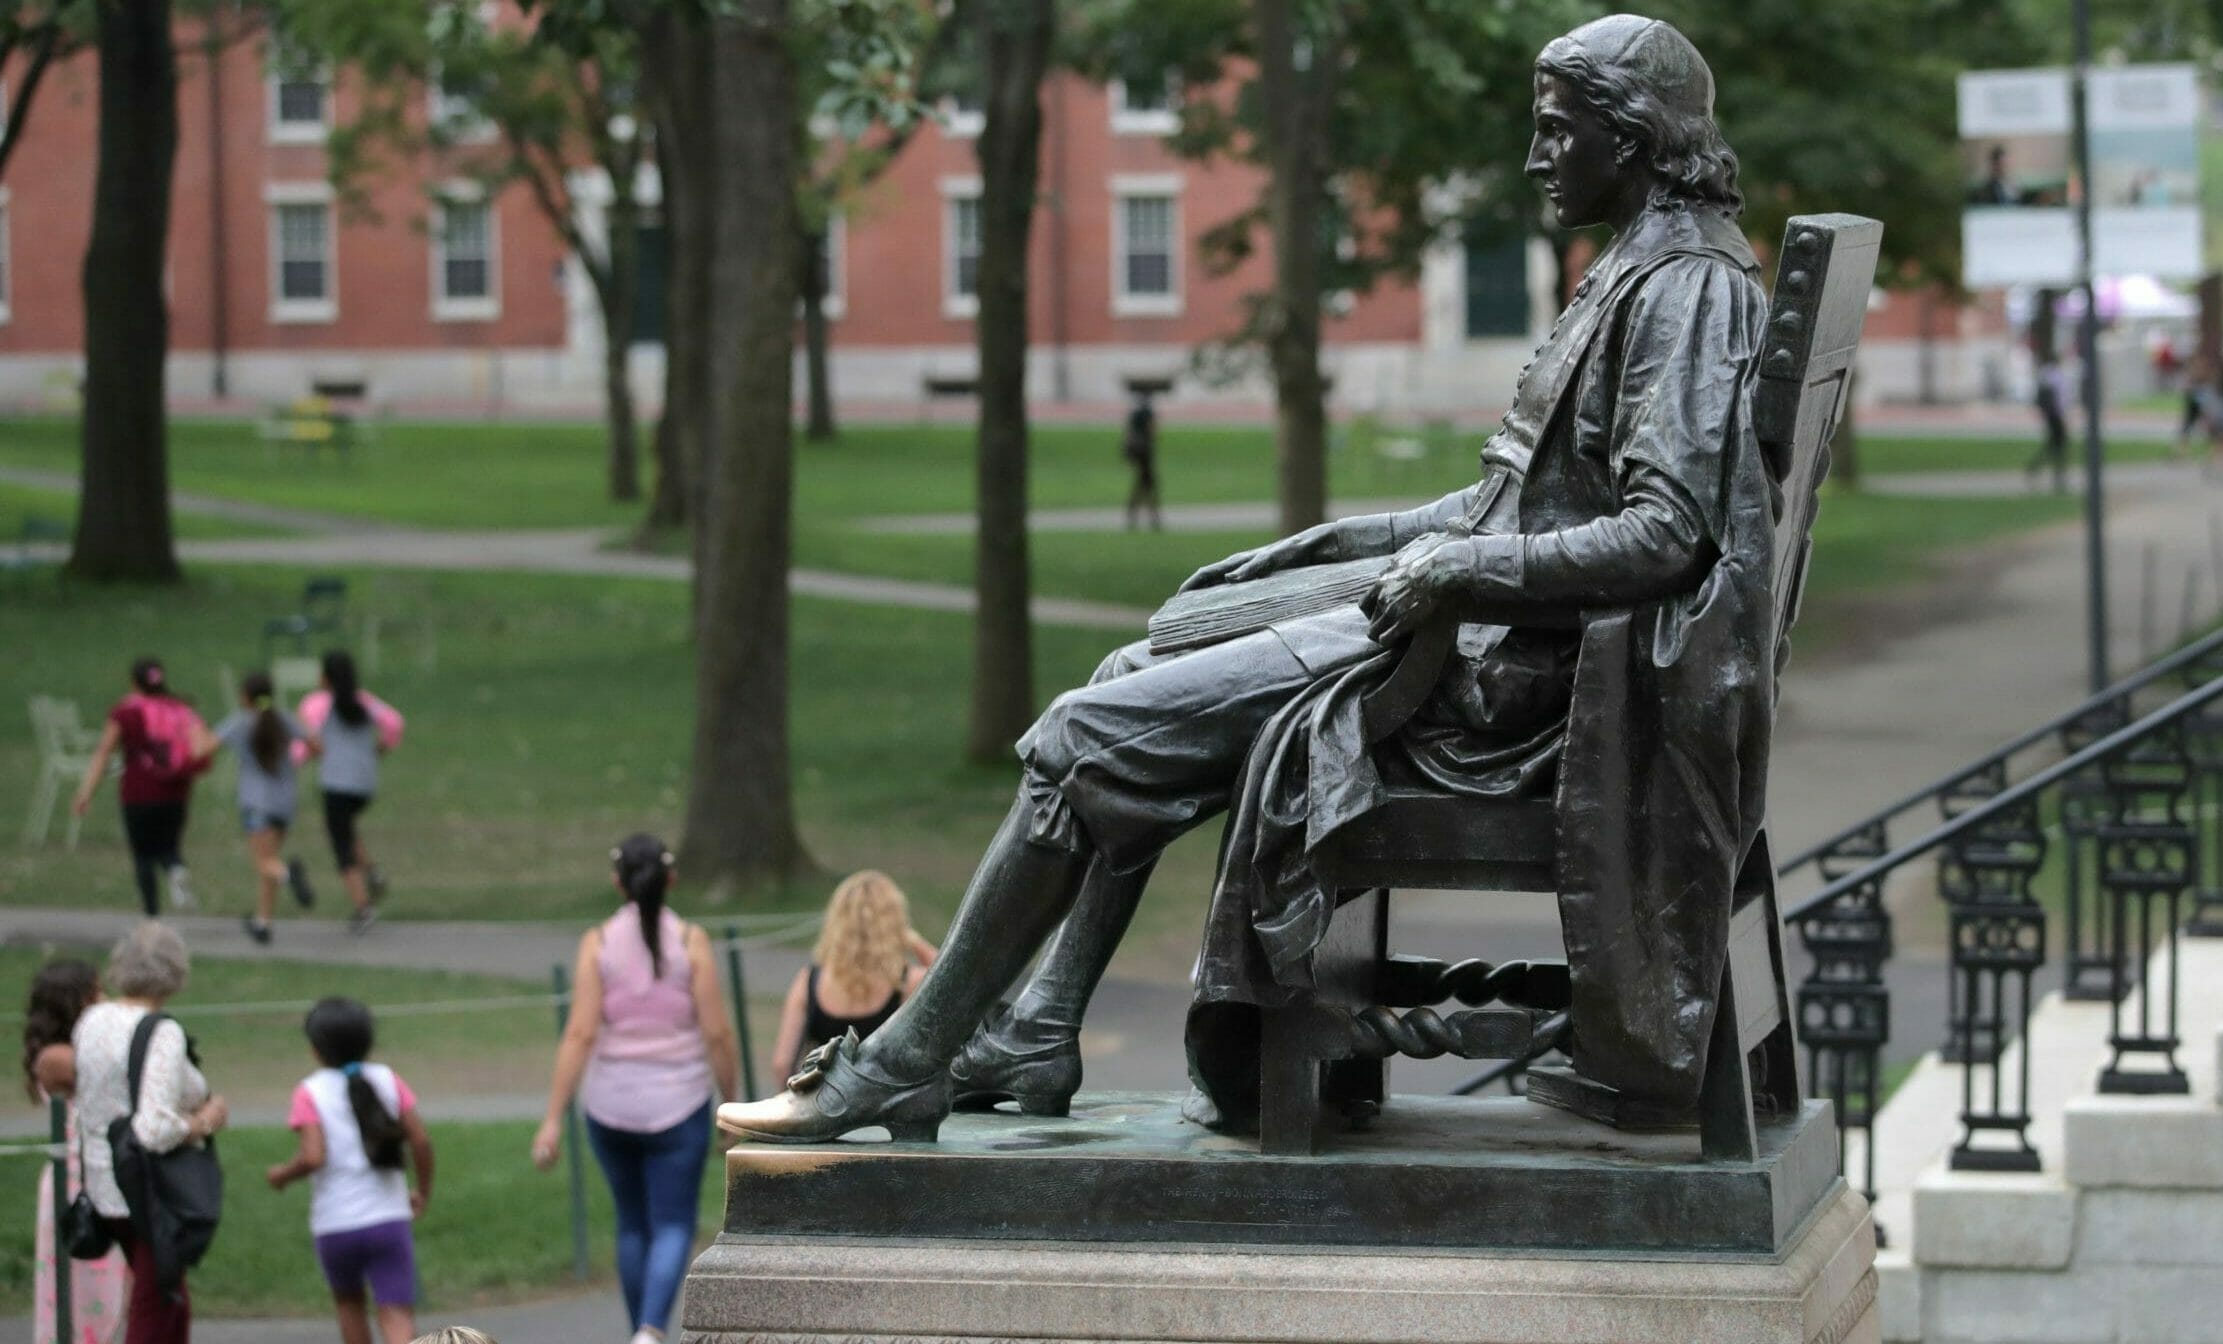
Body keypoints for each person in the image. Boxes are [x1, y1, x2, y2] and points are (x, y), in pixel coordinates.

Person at [722, 15, 1782, 1144]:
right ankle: (1039, 1021)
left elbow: (1666, 537)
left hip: (1505, 692)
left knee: (1085, 735)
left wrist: (1454, 567)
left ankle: (904, 1059)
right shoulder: (1645, 265)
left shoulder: (1684, 292)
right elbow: (1523, 503)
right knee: (1141, 661)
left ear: (1632, 139)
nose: (1536, 159)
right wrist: (1339, 539)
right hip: (1483, 639)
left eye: (1555, 133)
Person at [531, 837, 741, 1344]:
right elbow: (716, 1033)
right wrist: (730, 1103)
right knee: (672, 1225)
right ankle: (649, 1331)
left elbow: (580, 1034)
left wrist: (553, 1117)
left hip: (610, 1107)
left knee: (631, 1225)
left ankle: (638, 1331)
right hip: (681, 1104)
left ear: (616, 882)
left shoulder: (597, 943)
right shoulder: (691, 942)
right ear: (670, 880)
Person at [72, 923, 230, 1344]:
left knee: (170, 1295)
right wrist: (206, 1120)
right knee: (155, 1302)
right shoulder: (162, 1031)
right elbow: (154, 1128)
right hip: (149, 1190)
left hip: (102, 1181)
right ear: (176, 972)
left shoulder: (92, 1019)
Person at [267, 998, 435, 1344]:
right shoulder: (388, 1080)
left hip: (335, 1223)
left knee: (349, 1305)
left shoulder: (309, 1092)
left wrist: (283, 1174)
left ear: (315, 1049)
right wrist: (423, 1191)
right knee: (396, 1313)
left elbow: (313, 1157)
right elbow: (420, 1141)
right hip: (388, 1217)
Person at [24, 957, 130, 1344]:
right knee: (83, 1302)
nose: (104, 1000)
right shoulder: (56, 1057)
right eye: (96, 993)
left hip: (110, 1180)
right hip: (77, 1186)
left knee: (120, 1299)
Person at [768, 872, 940, 1094]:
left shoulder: (810, 980)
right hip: (883, 1108)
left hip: (823, 1107)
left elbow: (782, 1063)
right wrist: (915, 941)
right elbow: (951, 979)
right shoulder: (908, 982)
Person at [71, 660, 216, 917]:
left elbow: (104, 752)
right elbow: (204, 744)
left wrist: (86, 792)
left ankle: (151, 915)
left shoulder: (125, 713)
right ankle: (175, 869)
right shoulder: (180, 709)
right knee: (169, 846)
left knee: (143, 855)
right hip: (176, 792)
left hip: (138, 793)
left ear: (134, 682)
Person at [297, 651, 405, 930]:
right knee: (347, 830)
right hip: (364, 784)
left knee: (341, 845)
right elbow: (394, 723)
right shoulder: (364, 700)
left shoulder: (317, 704)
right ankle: (373, 873)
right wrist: (379, 750)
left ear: (325, 677)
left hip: (336, 784)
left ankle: (363, 907)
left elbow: (307, 739)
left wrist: (297, 759)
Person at [210, 672, 318, 946]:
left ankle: (289, 876)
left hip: (256, 802)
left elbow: (203, 749)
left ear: (245, 695)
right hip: (285, 801)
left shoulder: (241, 721)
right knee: (270, 859)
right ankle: (263, 922)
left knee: (265, 862)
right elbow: (316, 745)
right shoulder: (283, 718)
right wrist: (297, 760)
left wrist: (192, 731)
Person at [2028, 354, 2071, 492]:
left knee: (2053, 445)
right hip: (2056, 416)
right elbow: (2060, 399)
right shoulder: (2056, 377)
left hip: (2051, 416)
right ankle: (2058, 477)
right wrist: (2062, 416)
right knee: (2058, 447)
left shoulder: (2046, 375)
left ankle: (2037, 467)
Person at [1124, 389, 1163, 531]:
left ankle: (1137, 515)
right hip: (1145, 452)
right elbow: (1153, 429)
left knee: (1142, 485)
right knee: (1147, 485)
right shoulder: (1147, 413)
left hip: (1137, 453)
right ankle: (1153, 517)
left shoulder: (1135, 414)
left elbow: (1128, 432)